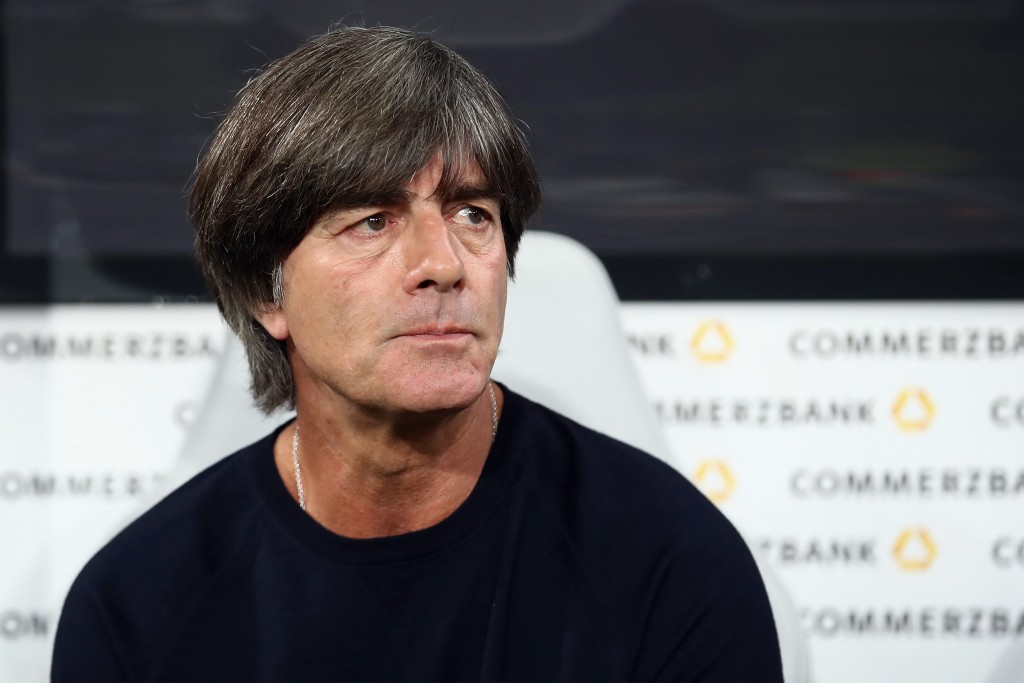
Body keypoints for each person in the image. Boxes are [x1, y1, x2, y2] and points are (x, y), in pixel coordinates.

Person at [52, 26, 782, 682]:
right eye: (372, 221)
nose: (444, 261)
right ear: (265, 292)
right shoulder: (137, 605)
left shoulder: (669, 560)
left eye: (473, 214)